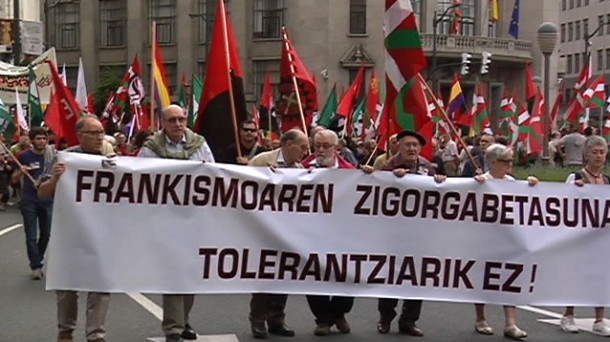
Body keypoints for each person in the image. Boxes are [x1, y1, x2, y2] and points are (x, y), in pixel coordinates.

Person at [138, 104, 214, 342]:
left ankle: (184, 320)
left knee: (189, 274)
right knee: (172, 273)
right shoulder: (151, 148)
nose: (178, 124)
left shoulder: (199, 144)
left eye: (182, 119)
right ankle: (173, 328)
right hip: (164, 220)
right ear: (163, 123)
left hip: (193, 220)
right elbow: (139, 178)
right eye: (173, 120)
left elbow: (214, 174)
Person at [362, 130, 446, 337]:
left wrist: (442, 180)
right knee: (391, 277)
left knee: (417, 279)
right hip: (393, 235)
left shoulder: (428, 167)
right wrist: (390, 177)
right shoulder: (388, 166)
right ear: (398, 147)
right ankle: (386, 317)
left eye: (415, 145)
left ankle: (409, 320)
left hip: (420, 236)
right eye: (407, 145)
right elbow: (373, 187)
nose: (411, 149)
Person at [38, 115, 111, 342]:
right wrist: (56, 179)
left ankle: (95, 334)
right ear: (80, 136)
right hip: (70, 232)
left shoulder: (111, 160)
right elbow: (42, 192)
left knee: (100, 285)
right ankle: (66, 330)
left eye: (101, 132)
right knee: (67, 285)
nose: (100, 137)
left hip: (102, 233)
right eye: (94, 133)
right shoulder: (65, 158)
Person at [247, 128, 309, 339]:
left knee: (284, 275)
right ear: (288, 144)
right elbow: (243, 187)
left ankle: (277, 319)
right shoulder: (261, 161)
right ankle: (257, 319)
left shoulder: (300, 168)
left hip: (288, 231)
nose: (305, 151)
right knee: (265, 275)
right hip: (264, 228)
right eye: (302, 147)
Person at [473, 143, 538, 341]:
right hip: (484, 239)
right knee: (482, 279)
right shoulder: (481, 181)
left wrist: (532, 185)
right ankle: (481, 319)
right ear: (492, 162)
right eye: (506, 161)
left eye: (511, 161)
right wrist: (477, 183)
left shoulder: (512, 182)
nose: (510, 165)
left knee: (510, 278)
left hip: (508, 238)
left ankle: (511, 323)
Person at [302, 129, 354, 336]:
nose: (321, 151)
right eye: (317, 146)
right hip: (312, 232)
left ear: (336, 148)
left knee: (348, 275)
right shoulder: (302, 168)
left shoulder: (351, 171)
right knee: (313, 275)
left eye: (326, 146)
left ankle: (338, 313)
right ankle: (323, 319)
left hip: (344, 233)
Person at [559, 135, 610, 336]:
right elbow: (562, 204)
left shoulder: (606, 180)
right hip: (580, 237)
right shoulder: (576, 178)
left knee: (601, 277)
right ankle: (568, 314)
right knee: (576, 275)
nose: (598, 156)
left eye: (602, 152)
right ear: (586, 155)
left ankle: (599, 317)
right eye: (594, 152)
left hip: (602, 238)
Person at [12, 127, 55, 280]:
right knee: (31, 235)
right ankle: (36, 265)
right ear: (31, 141)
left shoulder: (52, 156)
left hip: (47, 199)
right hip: (29, 199)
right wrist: (20, 172)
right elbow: (14, 179)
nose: (41, 141)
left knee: (46, 234)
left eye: (44, 138)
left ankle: (38, 258)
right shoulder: (23, 156)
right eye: (38, 138)